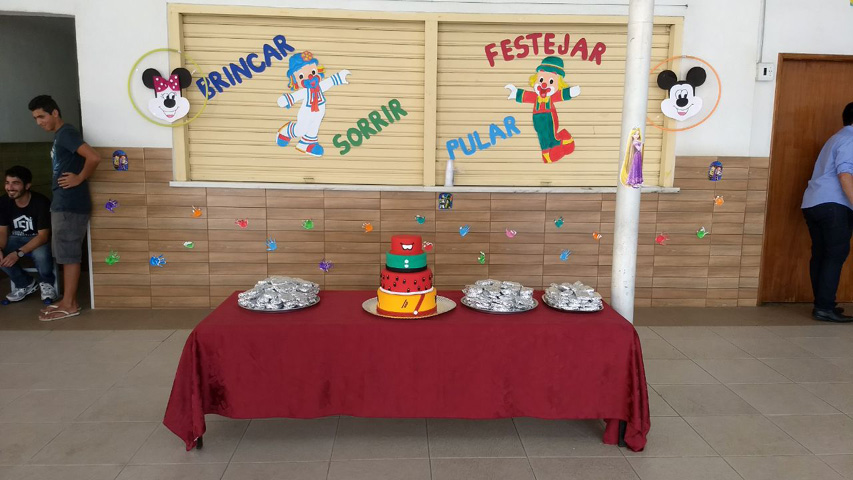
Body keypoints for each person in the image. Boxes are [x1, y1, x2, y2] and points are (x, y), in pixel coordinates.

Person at [28, 95, 100, 321]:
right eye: (35, 118)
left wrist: (79, 177)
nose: (39, 122)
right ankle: (67, 300)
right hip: (63, 204)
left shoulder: (66, 133)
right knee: (64, 254)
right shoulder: (60, 136)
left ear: (55, 113)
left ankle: (70, 304)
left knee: (69, 255)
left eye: (41, 116)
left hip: (70, 204)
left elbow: (93, 157)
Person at [801, 102, 853, 323]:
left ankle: (823, 304)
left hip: (813, 203)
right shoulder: (851, 139)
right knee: (835, 255)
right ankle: (824, 307)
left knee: (822, 255)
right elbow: (845, 175)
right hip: (833, 206)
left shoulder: (837, 137)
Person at [0, 166, 57, 302]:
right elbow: (2, 231)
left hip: (38, 239)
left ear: (27, 186)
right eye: (7, 183)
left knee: (41, 255)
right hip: (15, 238)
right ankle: (25, 283)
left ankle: (47, 283)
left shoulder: (41, 202)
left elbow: (43, 236)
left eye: (15, 183)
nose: (10, 187)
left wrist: (18, 253)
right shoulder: (3, 201)